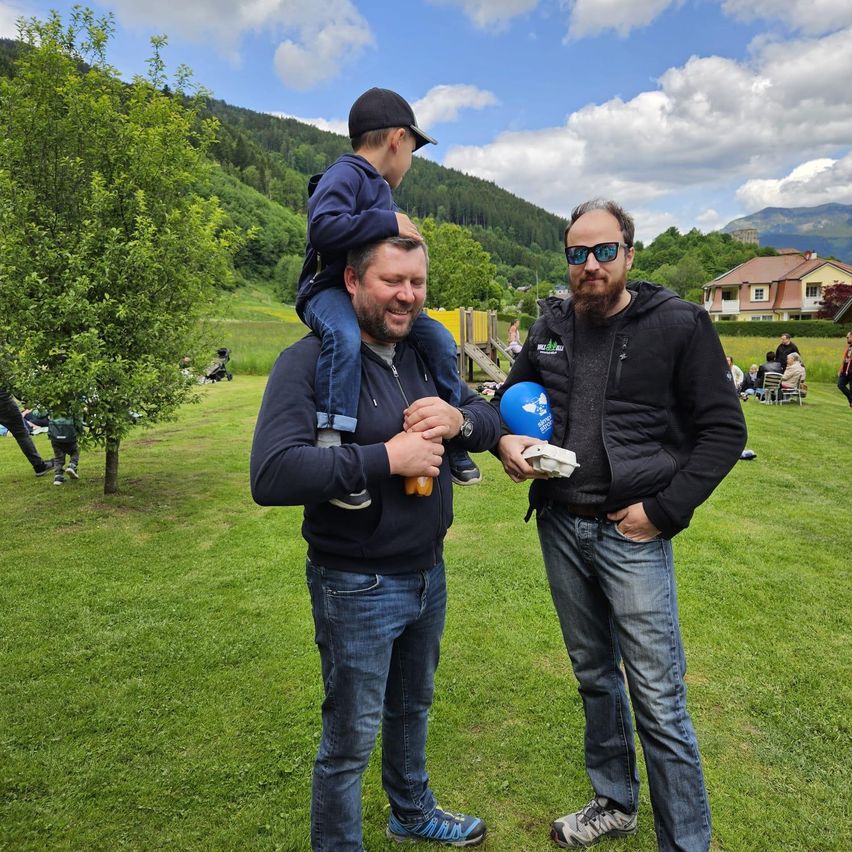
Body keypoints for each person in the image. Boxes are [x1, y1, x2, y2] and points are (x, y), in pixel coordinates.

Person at [493, 199, 746, 851]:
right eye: (577, 253)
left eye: (605, 251)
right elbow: (504, 403)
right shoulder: (549, 323)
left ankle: (685, 842)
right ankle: (614, 801)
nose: (591, 265)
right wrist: (505, 444)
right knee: (593, 675)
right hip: (561, 525)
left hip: (631, 534)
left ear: (630, 254)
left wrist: (662, 511)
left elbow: (724, 431)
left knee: (658, 701)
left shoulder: (679, 324)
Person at [252, 236, 500, 852]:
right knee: (349, 740)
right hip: (355, 583)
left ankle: (411, 811)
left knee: (413, 708)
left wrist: (460, 421)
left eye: (417, 283)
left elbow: (487, 422)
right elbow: (273, 473)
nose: (408, 296)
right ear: (353, 281)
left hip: (427, 572)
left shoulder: (424, 356)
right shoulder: (308, 361)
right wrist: (385, 457)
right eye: (393, 281)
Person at [296, 87, 481, 508]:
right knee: (343, 338)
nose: (411, 162)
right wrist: (388, 219)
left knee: (437, 338)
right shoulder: (344, 175)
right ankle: (332, 440)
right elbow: (322, 228)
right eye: (413, 150)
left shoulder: (378, 189)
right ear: (398, 139)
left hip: (367, 296)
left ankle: (450, 434)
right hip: (327, 291)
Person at [0, 386, 53, 476]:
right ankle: (39, 466)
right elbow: (12, 382)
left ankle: (39, 466)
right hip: (3, 402)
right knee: (21, 433)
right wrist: (26, 400)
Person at [48, 413, 81, 485]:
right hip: (70, 438)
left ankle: (58, 477)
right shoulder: (73, 410)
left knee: (58, 458)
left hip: (55, 438)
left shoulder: (54, 409)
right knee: (75, 451)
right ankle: (72, 466)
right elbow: (79, 424)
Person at [837, 331, 852, 407]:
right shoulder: (849, 347)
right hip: (845, 371)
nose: (847, 339)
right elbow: (845, 358)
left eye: (848, 337)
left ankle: (851, 404)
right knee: (840, 384)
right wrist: (840, 369)